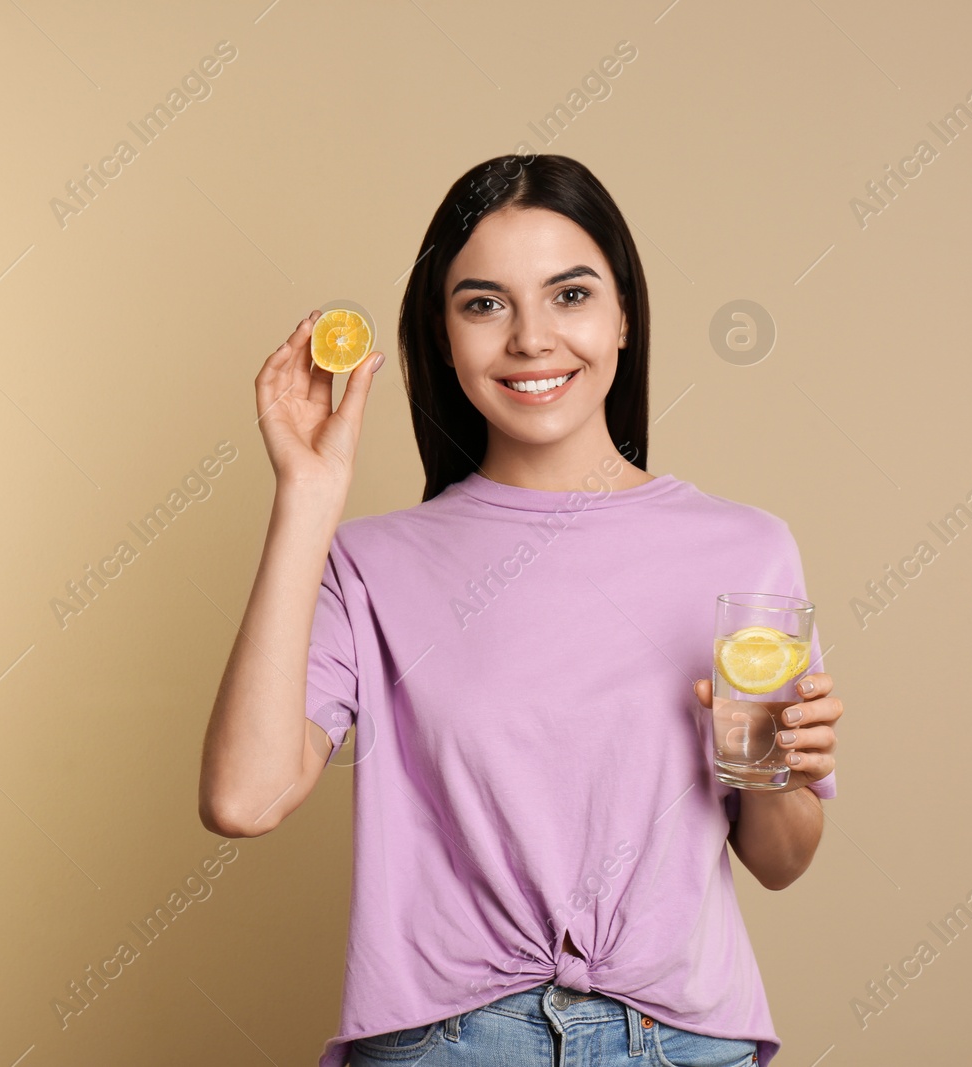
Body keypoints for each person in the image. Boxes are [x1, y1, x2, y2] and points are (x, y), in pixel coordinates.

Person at [198, 154, 844, 1067]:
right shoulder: (372, 565)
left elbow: (778, 860)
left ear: (625, 317)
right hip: (450, 1044)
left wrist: (782, 767)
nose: (532, 339)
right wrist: (306, 498)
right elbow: (241, 798)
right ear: (443, 335)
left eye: (570, 295)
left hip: (685, 1042)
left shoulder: (745, 551)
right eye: (485, 303)